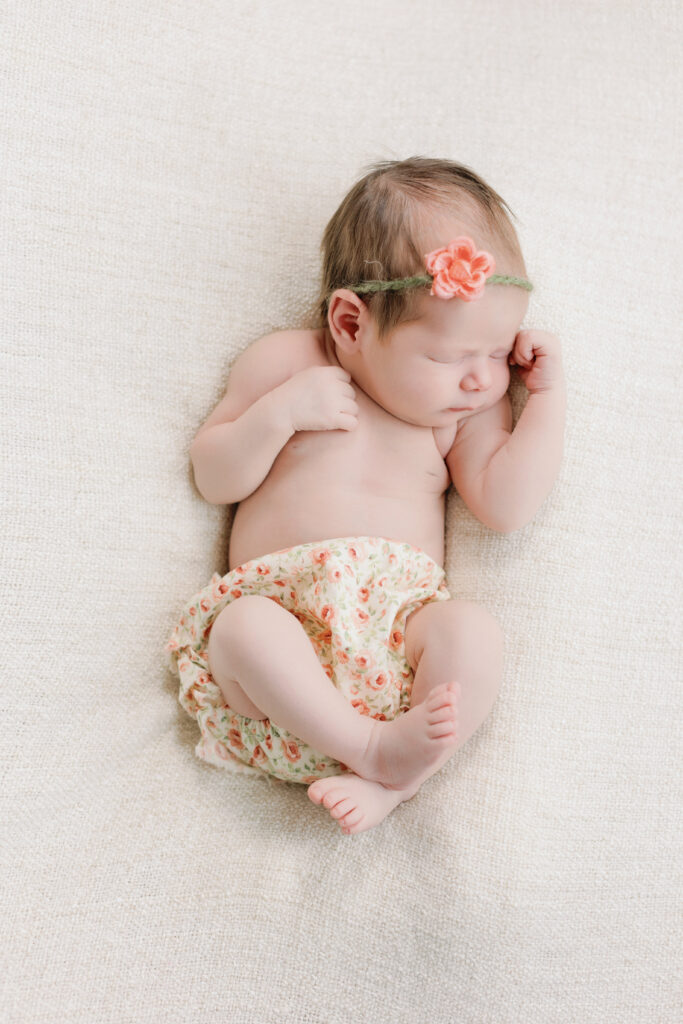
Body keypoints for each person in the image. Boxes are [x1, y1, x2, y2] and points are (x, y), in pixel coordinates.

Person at [166, 156, 565, 835]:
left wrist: (546, 400)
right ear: (349, 325)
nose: (478, 380)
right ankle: (368, 752)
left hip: (393, 644)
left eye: (495, 353)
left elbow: (504, 505)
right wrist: (276, 417)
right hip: (279, 660)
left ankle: (398, 777)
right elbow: (214, 477)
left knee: (473, 632)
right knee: (242, 629)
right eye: (448, 357)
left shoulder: (455, 416)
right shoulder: (286, 364)